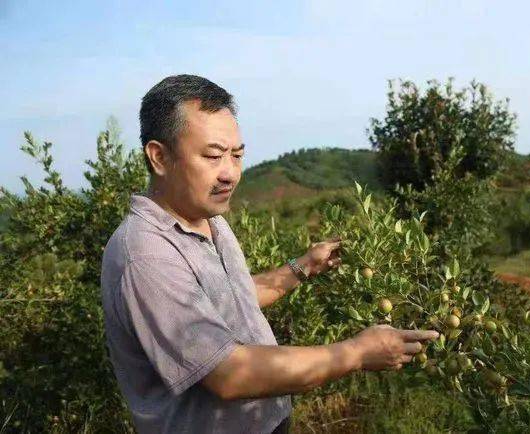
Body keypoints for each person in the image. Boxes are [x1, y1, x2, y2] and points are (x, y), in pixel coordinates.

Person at [100, 74, 439, 434]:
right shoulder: (146, 254)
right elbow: (228, 374)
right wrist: (355, 353)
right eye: (213, 156)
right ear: (159, 157)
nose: (229, 173)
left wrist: (303, 267)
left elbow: (230, 298)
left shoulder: (206, 218)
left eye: (237, 155)